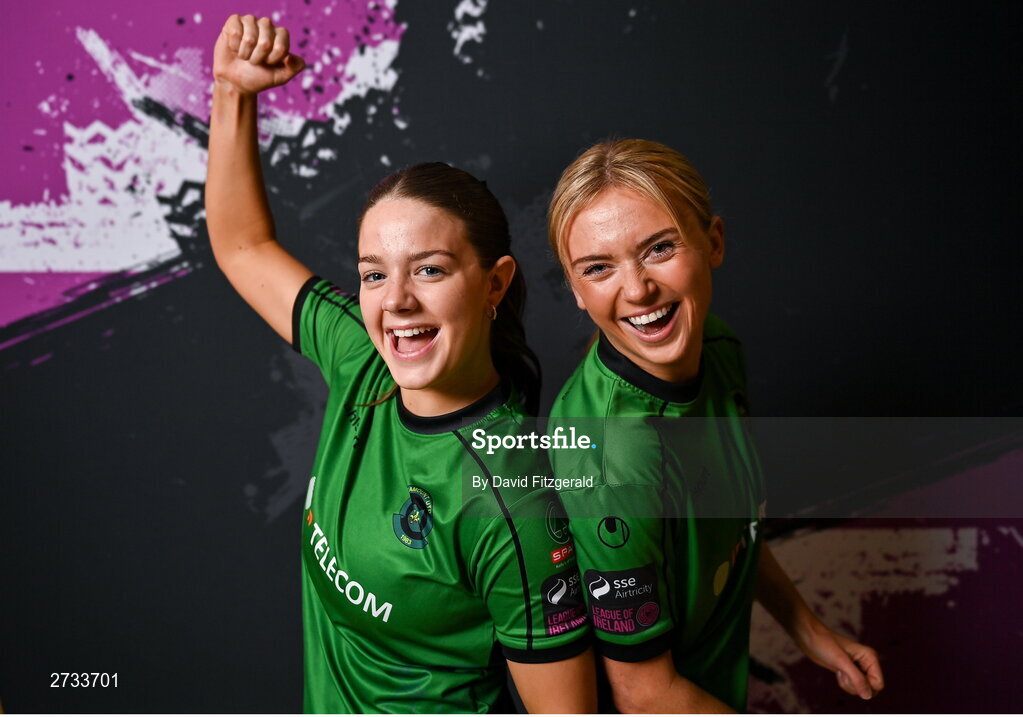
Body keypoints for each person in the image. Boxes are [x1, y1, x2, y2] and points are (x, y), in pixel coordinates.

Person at [205, 14, 594, 713]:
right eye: (374, 275)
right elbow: (241, 245)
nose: (397, 303)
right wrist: (233, 92)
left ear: (495, 284)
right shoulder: (362, 358)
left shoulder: (511, 507)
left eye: (431, 269)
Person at [546, 138, 884, 712]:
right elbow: (643, 694)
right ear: (578, 291)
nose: (637, 289)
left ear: (714, 242)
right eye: (598, 268)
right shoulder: (613, 460)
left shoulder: (718, 347)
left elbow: (729, 531)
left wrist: (811, 632)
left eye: (659, 248)